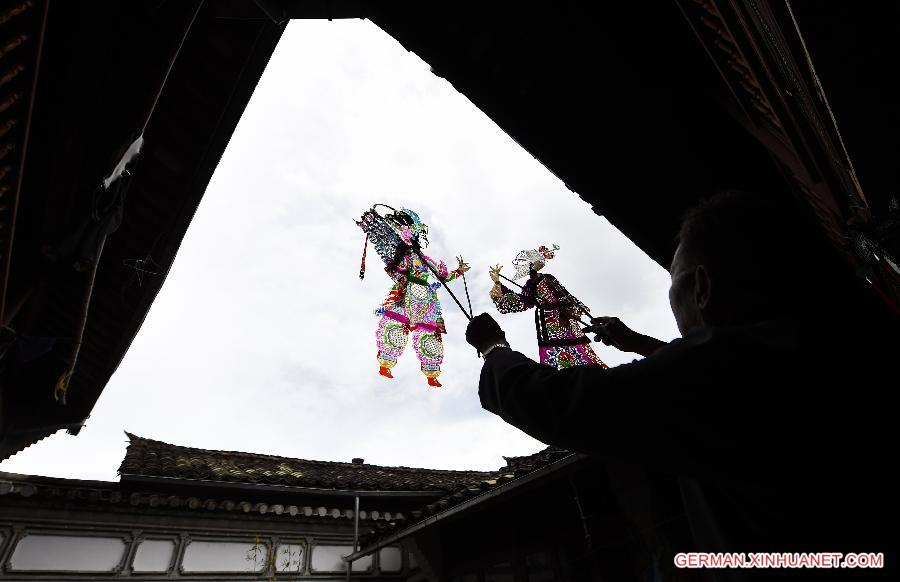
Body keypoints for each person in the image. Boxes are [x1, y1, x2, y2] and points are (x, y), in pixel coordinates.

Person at [467, 191, 890, 580]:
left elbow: (564, 404)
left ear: (703, 287)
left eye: (676, 284)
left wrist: (494, 349)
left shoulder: (719, 366)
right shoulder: (829, 346)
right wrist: (637, 343)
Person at [368, 208, 469, 387]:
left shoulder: (425, 259)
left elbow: (442, 276)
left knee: (430, 336)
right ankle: (386, 364)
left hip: (426, 300)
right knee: (395, 330)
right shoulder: (402, 256)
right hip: (405, 293)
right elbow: (394, 266)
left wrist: (459, 272)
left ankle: (431, 374)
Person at [488, 244, 607, 369]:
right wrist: (498, 284)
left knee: (570, 344)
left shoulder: (541, 280)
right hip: (555, 317)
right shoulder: (538, 281)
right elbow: (525, 301)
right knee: (564, 346)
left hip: (558, 317)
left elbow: (561, 294)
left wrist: (570, 308)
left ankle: (584, 368)